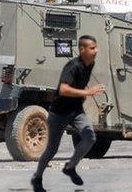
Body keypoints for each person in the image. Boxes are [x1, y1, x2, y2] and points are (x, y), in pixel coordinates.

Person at [31, 35, 106, 192]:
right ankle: (37, 177)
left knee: (90, 137)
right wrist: (87, 92)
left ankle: (70, 167)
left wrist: (83, 95)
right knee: (51, 150)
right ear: (82, 49)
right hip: (59, 112)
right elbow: (63, 89)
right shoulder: (72, 66)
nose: (96, 51)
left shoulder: (91, 63)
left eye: (96, 47)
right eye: (92, 48)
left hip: (77, 111)